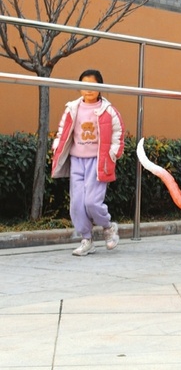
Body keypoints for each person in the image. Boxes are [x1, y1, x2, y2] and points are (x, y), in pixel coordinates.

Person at [51, 69, 125, 256]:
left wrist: (113, 153)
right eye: (84, 85)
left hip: (98, 162)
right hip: (77, 161)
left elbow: (118, 132)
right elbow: (62, 130)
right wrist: (57, 146)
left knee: (92, 202)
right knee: (77, 203)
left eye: (93, 85)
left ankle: (108, 227)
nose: (88, 89)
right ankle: (86, 239)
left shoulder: (108, 111)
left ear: (100, 87)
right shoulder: (72, 108)